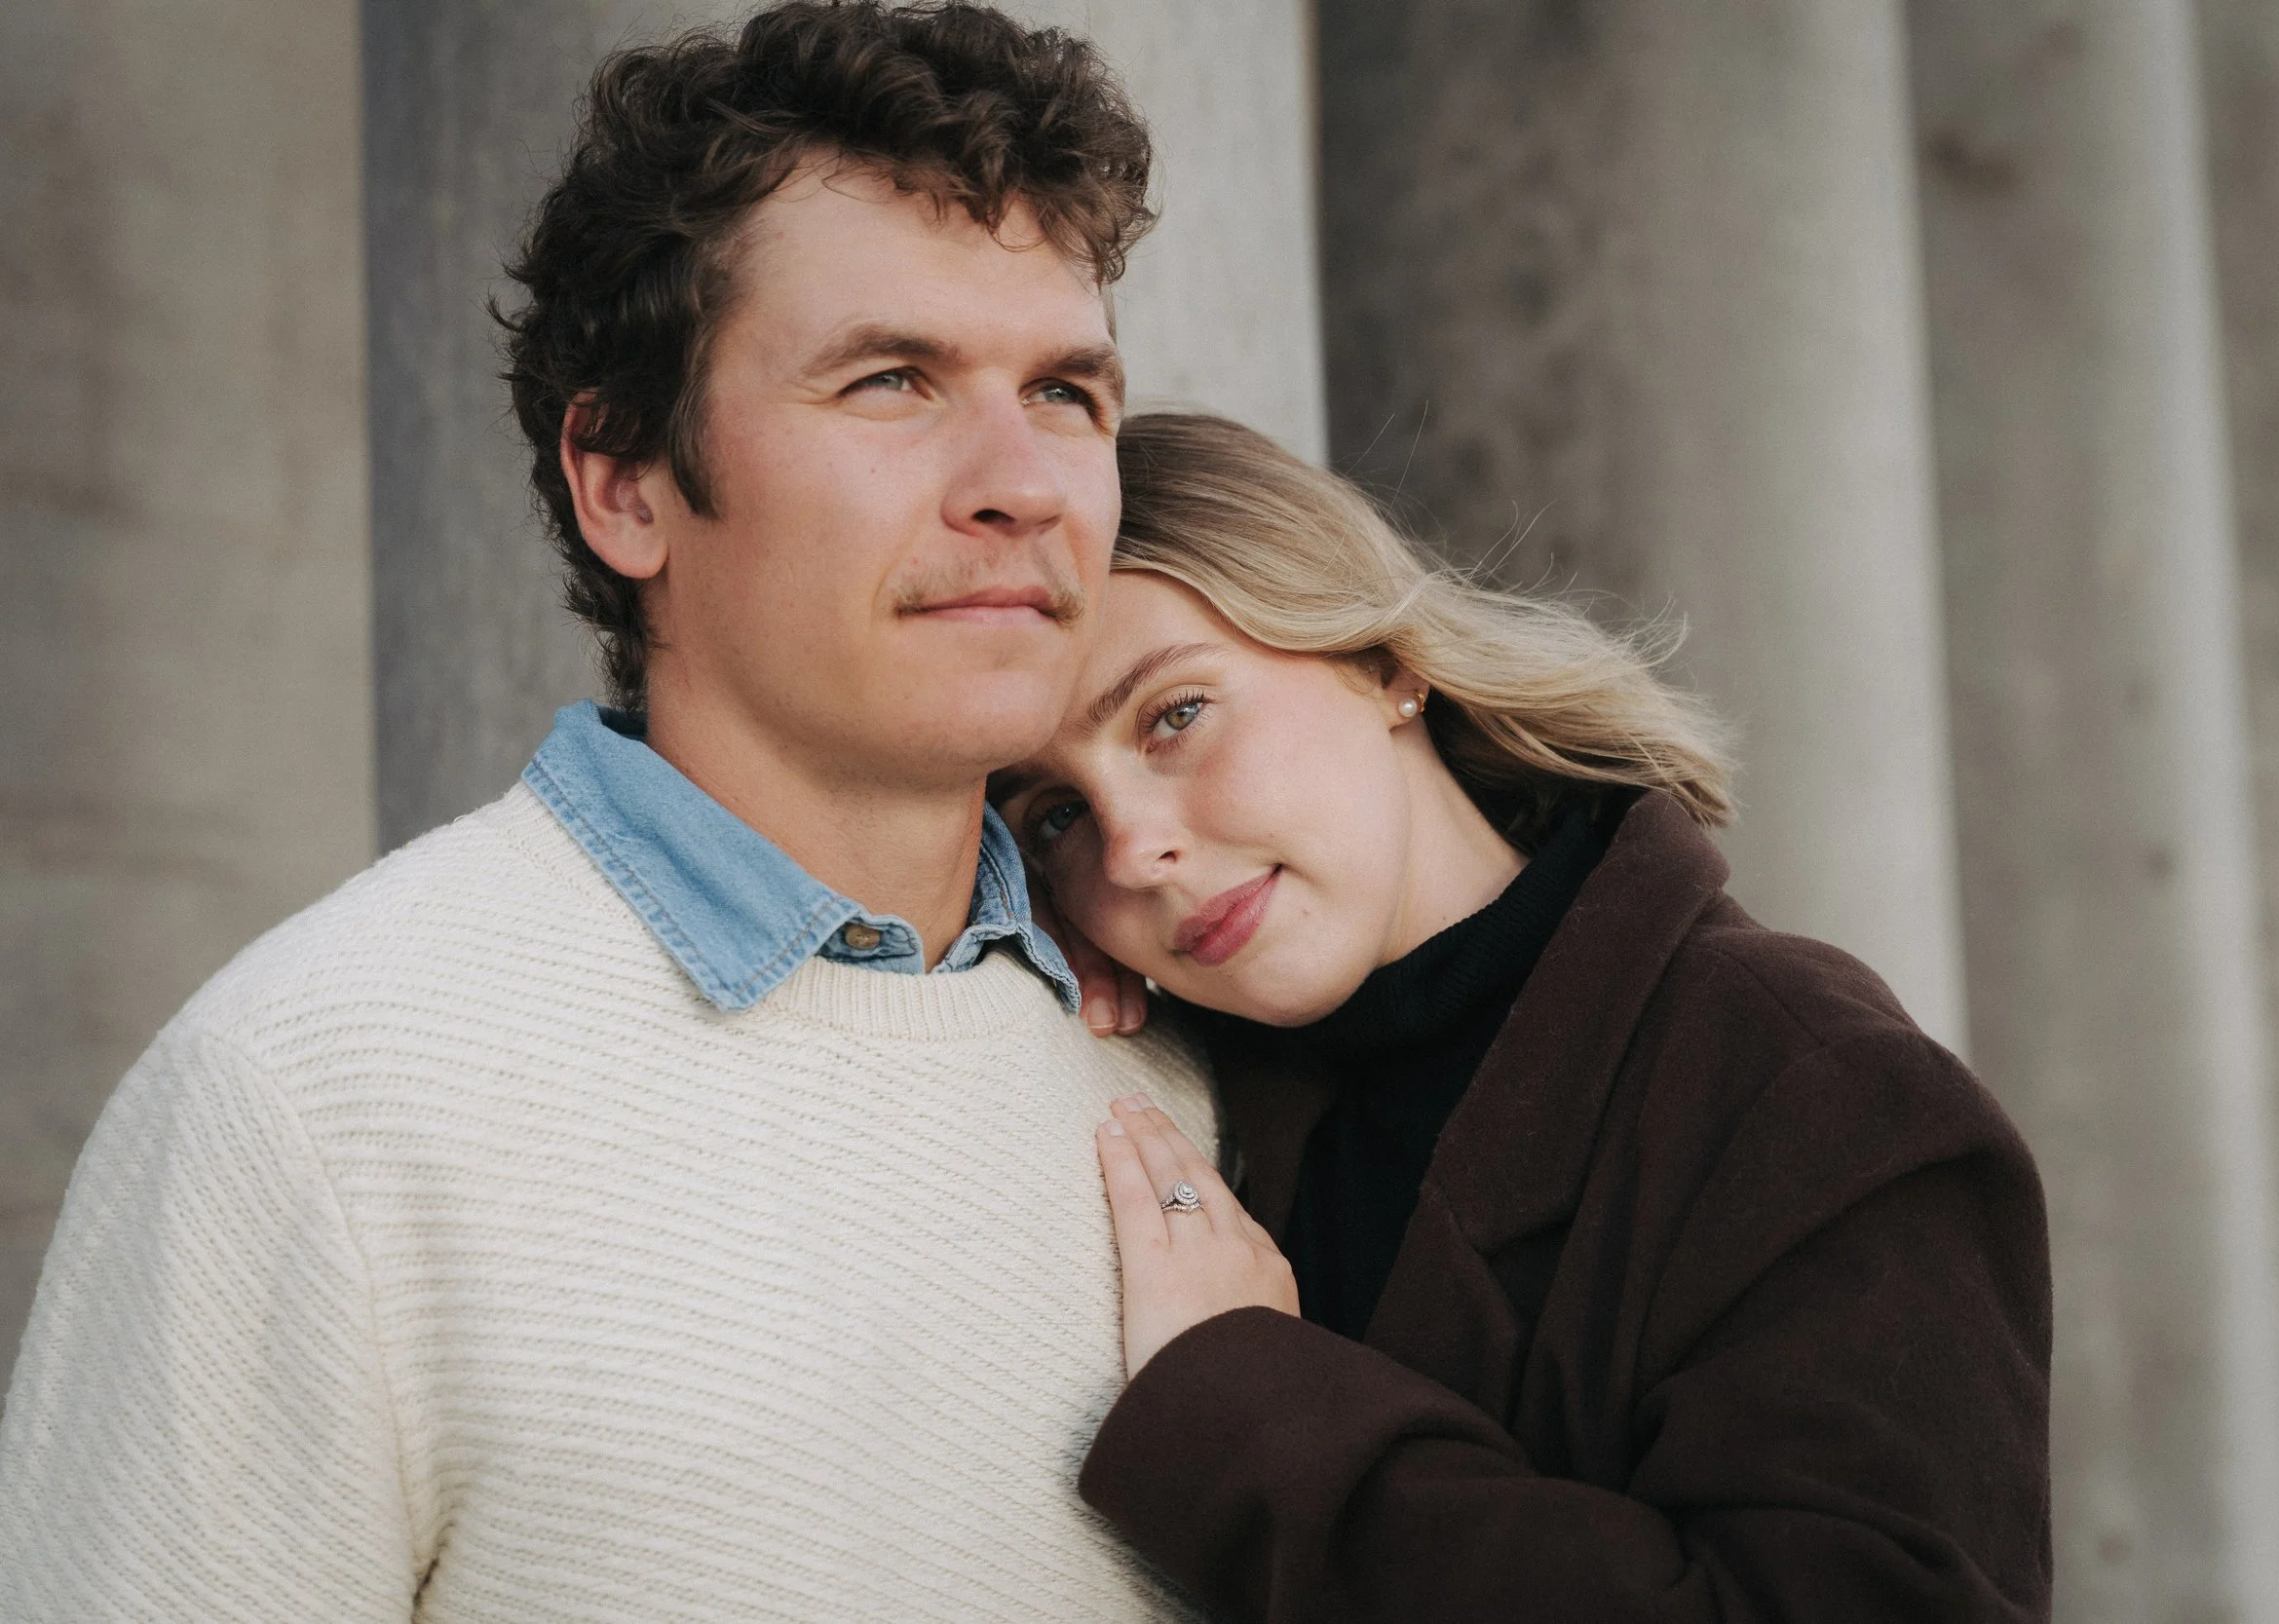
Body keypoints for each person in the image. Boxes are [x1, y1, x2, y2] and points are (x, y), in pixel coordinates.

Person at [0, 8, 1214, 1620]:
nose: (1023, 482)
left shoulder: (1192, 1047)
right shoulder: (311, 1102)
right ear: (624, 480)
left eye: (1065, 391)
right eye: (890, 379)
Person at [992, 412, 2054, 1622]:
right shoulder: (1185, 1070)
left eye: (1174, 715)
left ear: (1384, 661)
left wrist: (1255, 1406)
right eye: (1053, 818)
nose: (1135, 851)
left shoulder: (1816, 1096)